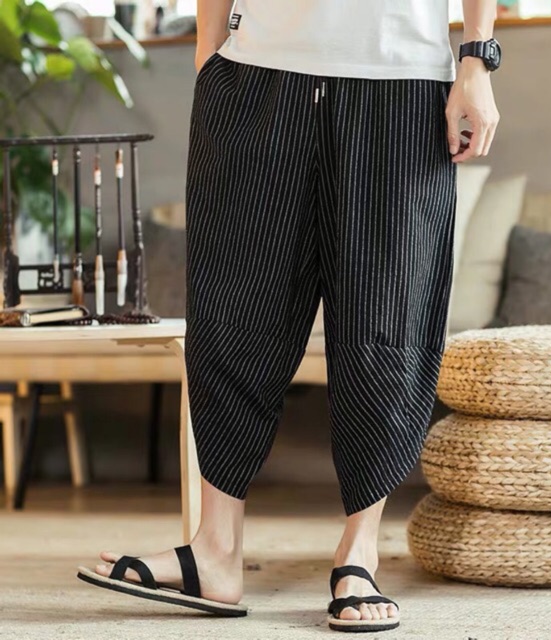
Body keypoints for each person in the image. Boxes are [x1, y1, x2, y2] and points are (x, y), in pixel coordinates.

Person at [77, 0, 500, 633]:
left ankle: (358, 553)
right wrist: (210, 54)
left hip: (402, 81)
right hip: (255, 75)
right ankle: (216, 550)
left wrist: (476, 60)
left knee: (385, 323)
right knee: (232, 312)